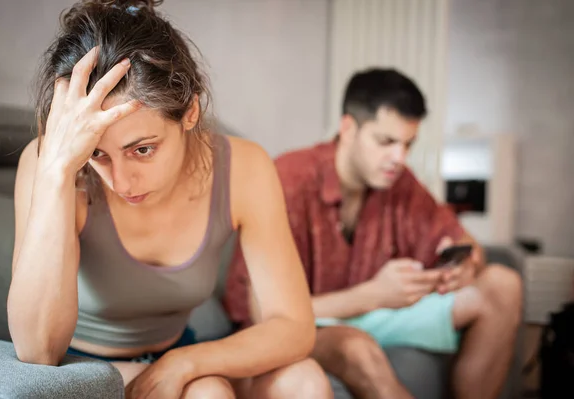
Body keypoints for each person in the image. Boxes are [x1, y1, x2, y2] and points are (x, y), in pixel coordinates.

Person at [7, 1, 333, 398]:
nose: (120, 182)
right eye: (97, 154)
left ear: (191, 111)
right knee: (208, 394)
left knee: (304, 380)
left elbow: (294, 327)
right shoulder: (50, 164)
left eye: (142, 149)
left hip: (179, 351)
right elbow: (38, 350)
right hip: (82, 367)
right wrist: (59, 168)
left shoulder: (243, 167)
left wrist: (184, 362)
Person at [224, 68, 523, 399]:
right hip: (297, 323)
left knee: (502, 285)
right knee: (357, 348)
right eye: (386, 142)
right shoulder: (289, 178)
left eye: (408, 144)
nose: (399, 158)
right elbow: (261, 311)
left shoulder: (399, 181)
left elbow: (464, 241)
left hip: (374, 313)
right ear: (349, 128)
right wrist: (374, 295)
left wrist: (465, 264)